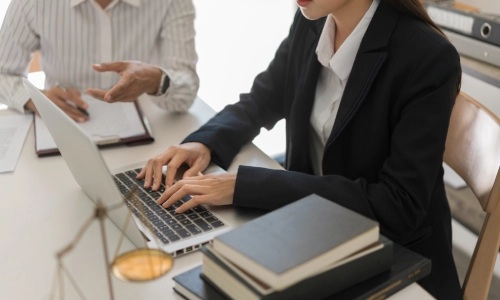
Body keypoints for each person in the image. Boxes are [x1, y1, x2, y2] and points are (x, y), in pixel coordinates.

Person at [139, 0, 462, 298]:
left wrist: (246, 185)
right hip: (311, 232)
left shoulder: (427, 56)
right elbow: (262, 100)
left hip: (391, 259)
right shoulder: (313, 21)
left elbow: (398, 205)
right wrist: (205, 142)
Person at [0, 0, 199, 121]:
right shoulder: (32, 3)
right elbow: (3, 73)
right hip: (61, 125)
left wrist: (156, 80)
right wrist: (36, 99)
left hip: (148, 128)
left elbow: (186, 92)